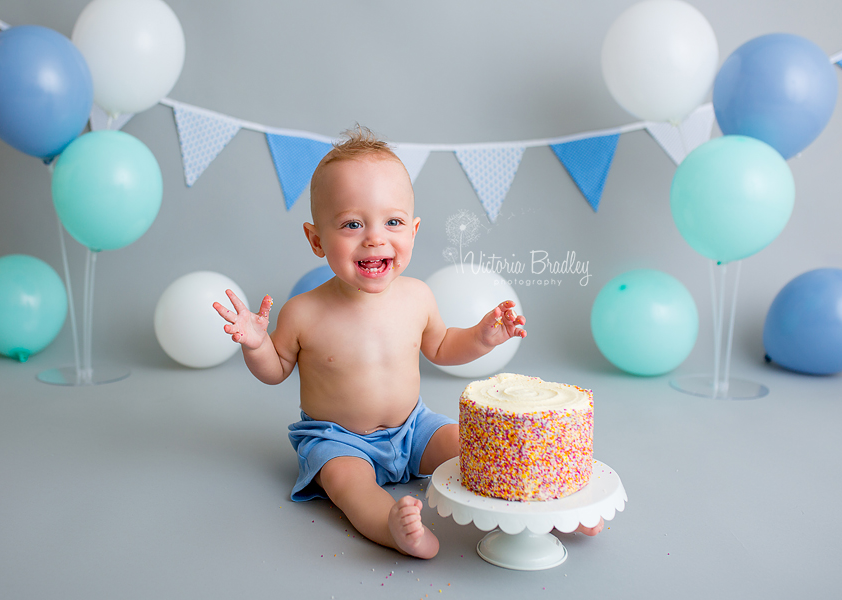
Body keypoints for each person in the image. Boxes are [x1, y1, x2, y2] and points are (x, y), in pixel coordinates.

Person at [213, 126, 601, 559]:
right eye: (352, 224)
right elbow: (275, 369)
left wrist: (482, 337)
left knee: (473, 447)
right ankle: (390, 524)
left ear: (413, 231)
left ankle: (550, 506)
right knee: (348, 483)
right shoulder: (303, 312)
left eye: (392, 222)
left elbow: (442, 347)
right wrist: (255, 344)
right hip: (337, 439)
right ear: (316, 239)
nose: (375, 237)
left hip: (414, 427)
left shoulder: (417, 296)